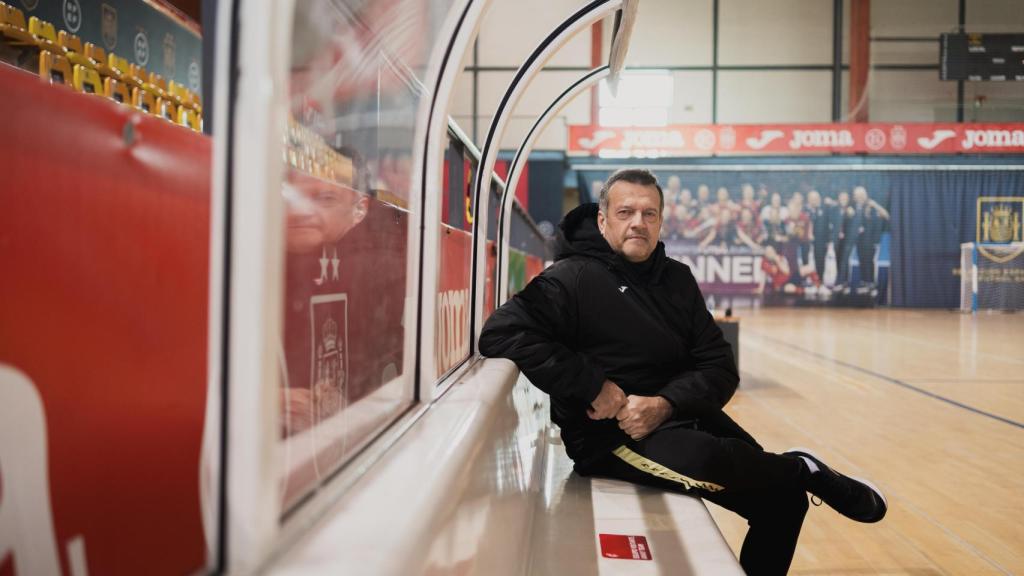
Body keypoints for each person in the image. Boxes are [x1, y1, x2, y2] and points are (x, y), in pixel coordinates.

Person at [478, 169, 887, 576]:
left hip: (682, 415)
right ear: (603, 221)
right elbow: (502, 332)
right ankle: (804, 469)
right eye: (625, 212)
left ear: (660, 221)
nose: (638, 222)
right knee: (729, 464)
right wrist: (592, 385)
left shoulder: (677, 278)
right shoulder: (571, 278)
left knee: (784, 501)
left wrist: (666, 403)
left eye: (649, 213)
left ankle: (798, 474)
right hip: (612, 438)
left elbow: (720, 366)